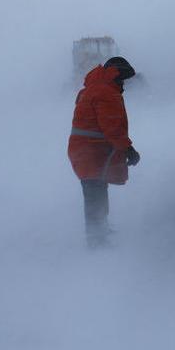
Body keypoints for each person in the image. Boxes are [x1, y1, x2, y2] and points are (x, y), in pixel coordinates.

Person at [68, 56, 140, 247]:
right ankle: (96, 240)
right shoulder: (106, 93)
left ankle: (101, 227)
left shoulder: (95, 88)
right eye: (122, 80)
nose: (124, 85)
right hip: (89, 152)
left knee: (98, 187)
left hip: (89, 150)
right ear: (116, 76)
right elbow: (112, 127)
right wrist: (128, 149)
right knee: (94, 192)